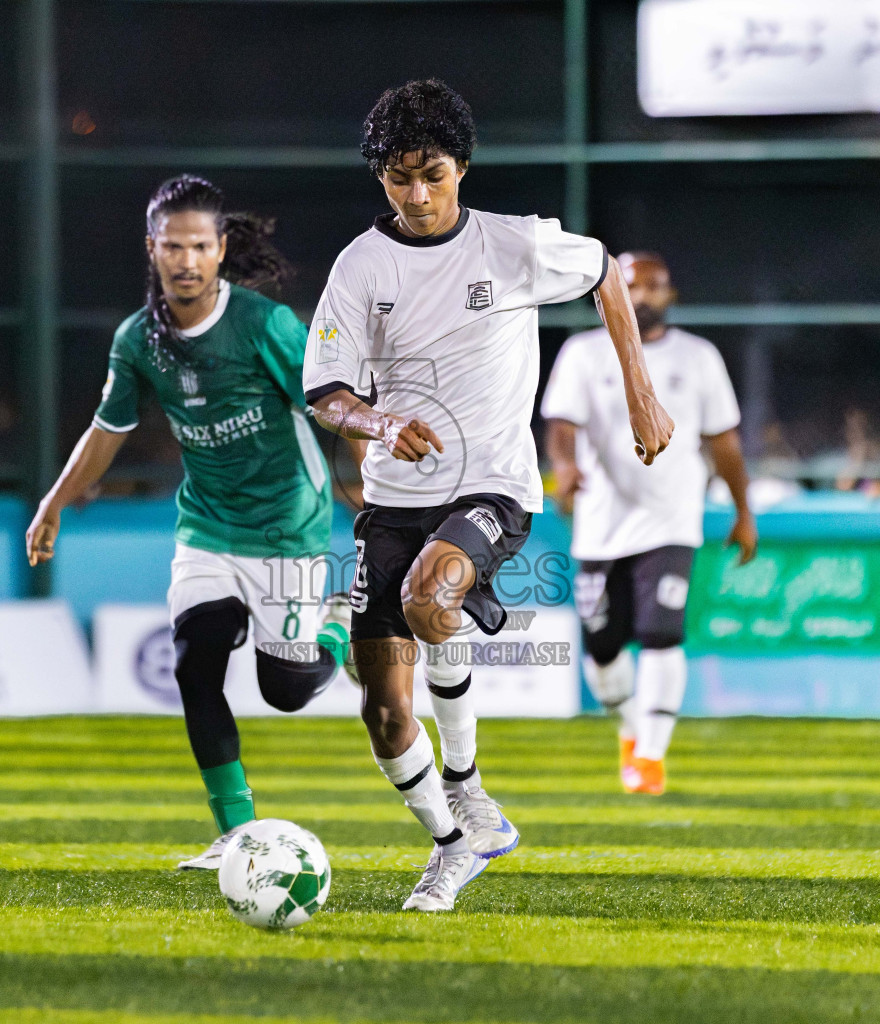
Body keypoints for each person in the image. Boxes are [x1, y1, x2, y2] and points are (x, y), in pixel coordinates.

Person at [304, 80, 676, 911]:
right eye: (399, 177)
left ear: (462, 167)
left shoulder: (515, 246)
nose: (418, 193)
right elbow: (324, 388)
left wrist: (640, 391)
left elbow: (606, 276)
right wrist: (371, 418)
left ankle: (469, 785)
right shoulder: (361, 267)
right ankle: (453, 841)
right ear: (381, 179)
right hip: (393, 497)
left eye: (432, 173)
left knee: (431, 595)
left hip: (493, 486)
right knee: (386, 715)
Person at [25, 175, 354, 870]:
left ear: (220, 249)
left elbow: (333, 400)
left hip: (287, 526)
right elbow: (107, 429)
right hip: (206, 527)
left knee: (286, 690)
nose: (185, 260)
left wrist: (366, 482)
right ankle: (238, 832)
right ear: (152, 249)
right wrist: (54, 502)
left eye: (199, 246)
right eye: (172, 246)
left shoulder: (266, 325)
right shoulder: (139, 339)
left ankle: (338, 619)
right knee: (195, 661)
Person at [542, 251, 757, 795]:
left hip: (672, 518)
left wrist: (742, 510)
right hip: (602, 521)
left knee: (662, 633)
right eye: (632, 286)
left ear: (671, 295)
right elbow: (562, 424)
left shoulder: (700, 357)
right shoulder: (584, 352)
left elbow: (724, 440)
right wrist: (564, 467)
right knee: (603, 646)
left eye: (654, 287)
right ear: (610, 294)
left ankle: (652, 757)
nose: (642, 296)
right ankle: (631, 733)